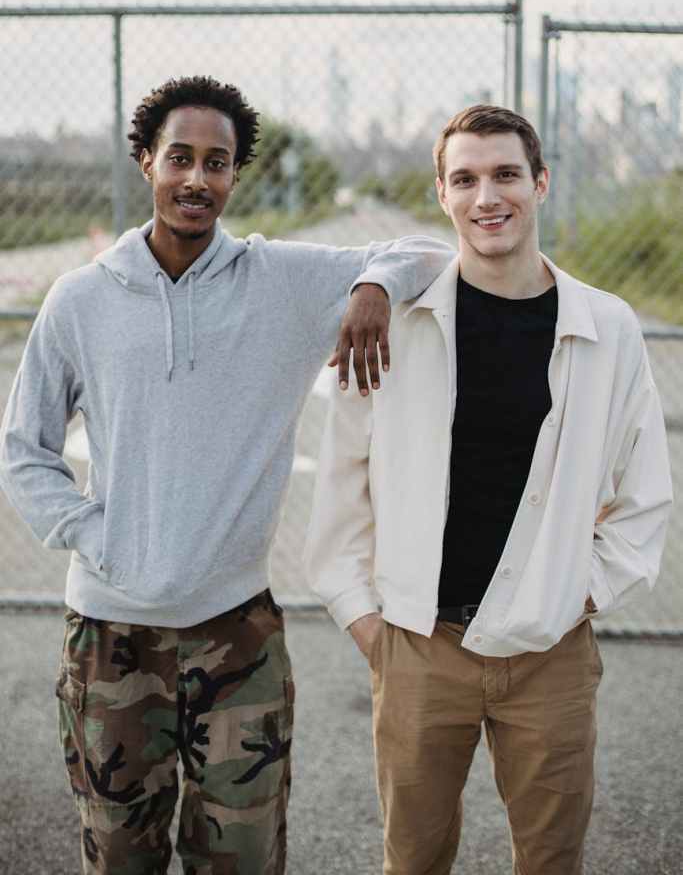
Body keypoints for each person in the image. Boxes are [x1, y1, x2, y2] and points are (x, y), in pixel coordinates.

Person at [0, 75, 454, 875]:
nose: (196, 179)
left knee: (243, 858)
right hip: (110, 637)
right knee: (119, 858)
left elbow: (430, 251)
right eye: (180, 157)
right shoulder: (80, 299)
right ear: (146, 161)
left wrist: (372, 287)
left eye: (217, 163)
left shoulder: (279, 281)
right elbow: (23, 448)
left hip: (237, 635)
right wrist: (96, 536)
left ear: (235, 175)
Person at [304, 104, 673, 875]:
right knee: (413, 858)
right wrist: (367, 622)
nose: (486, 197)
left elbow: (642, 494)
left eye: (505, 174)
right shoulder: (391, 324)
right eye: (464, 179)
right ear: (441, 194)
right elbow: (340, 485)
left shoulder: (607, 327)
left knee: (550, 858)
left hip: (549, 650)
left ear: (539, 183)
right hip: (418, 643)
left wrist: (578, 593)